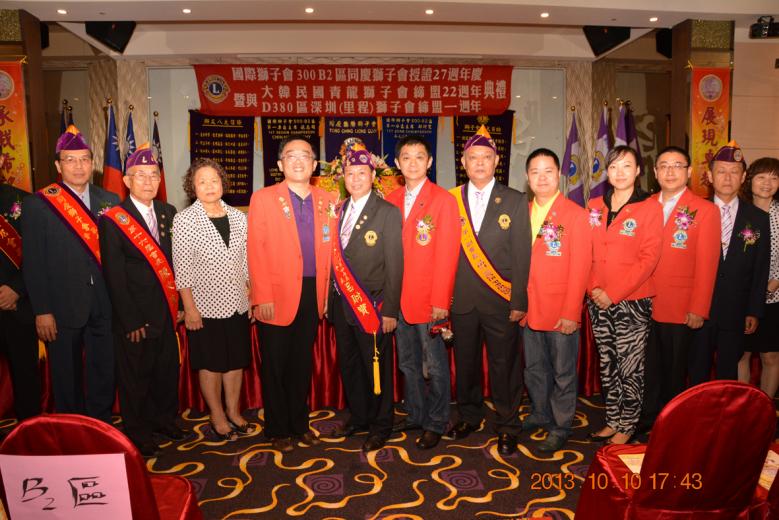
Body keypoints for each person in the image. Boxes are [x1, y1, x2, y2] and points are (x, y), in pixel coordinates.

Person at [444, 125, 531, 456]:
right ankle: (469, 416)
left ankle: (508, 425)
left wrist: (518, 299)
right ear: (463, 163)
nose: (479, 163)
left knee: (504, 366)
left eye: (486, 157)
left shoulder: (515, 200)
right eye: (473, 158)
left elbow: (522, 255)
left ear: (496, 161)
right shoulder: (450, 200)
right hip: (462, 300)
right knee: (465, 364)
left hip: (500, 299)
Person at [22, 125, 118, 422]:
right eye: (70, 160)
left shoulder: (110, 200)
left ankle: (100, 426)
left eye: (84, 159)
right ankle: (73, 430)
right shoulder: (39, 203)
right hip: (61, 306)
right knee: (67, 375)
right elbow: (33, 262)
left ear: (93, 163)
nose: (78, 166)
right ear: (57, 165)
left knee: (104, 369)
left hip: (104, 302)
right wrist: (42, 310)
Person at [247, 135, 337, 453]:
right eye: (291, 155)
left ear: (314, 165)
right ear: (280, 164)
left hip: (313, 292)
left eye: (305, 155)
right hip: (275, 293)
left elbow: (331, 253)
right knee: (275, 365)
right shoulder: (263, 198)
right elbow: (255, 251)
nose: (298, 161)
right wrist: (262, 296)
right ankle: (277, 428)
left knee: (301, 364)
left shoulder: (328, 199)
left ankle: (300, 424)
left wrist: (326, 296)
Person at [98, 144, 187, 457]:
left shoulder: (167, 212)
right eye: (141, 176)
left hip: (166, 308)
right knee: (136, 376)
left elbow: (176, 263)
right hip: (135, 314)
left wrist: (179, 305)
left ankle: (165, 420)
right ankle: (138, 431)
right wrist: (130, 319)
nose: (149, 181)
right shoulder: (113, 220)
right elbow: (114, 275)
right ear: (127, 181)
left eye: (154, 175)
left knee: (166, 370)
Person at [637, 146, 720, 433]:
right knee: (647, 366)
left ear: (689, 171)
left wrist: (699, 307)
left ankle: (670, 424)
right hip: (642, 302)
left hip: (679, 305)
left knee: (674, 370)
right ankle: (647, 418)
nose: (670, 171)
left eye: (677, 165)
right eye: (663, 165)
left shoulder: (705, 210)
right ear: (655, 172)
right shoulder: (644, 205)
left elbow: (708, 264)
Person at [385, 136, 460, 450]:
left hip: (429, 299)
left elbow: (448, 254)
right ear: (397, 163)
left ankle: (437, 421)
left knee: (436, 365)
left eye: (419, 156)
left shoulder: (443, 200)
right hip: (397, 299)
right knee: (407, 363)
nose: (412, 162)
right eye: (406, 157)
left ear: (429, 162)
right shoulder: (390, 199)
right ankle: (416, 413)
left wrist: (441, 300)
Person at [328, 142, 403, 452]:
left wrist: (391, 310)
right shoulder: (337, 210)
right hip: (340, 304)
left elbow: (396, 265)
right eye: (350, 173)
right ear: (343, 177)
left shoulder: (387, 212)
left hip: (372, 305)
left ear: (373, 176)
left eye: (362, 173)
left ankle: (381, 424)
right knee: (350, 365)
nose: (356, 179)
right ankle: (359, 417)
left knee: (377, 368)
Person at [586, 146, 662, 445]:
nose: (620, 172)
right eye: (614, 166)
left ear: (638, 171)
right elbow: (586, 251)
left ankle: (628, 424)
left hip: (632, 300)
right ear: (607, 171)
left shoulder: (649, 207)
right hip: (597, 298)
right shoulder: (594, 205)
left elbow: (648, 259)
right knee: (608, 362)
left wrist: (613, 293)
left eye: (627, 166)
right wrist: (594, 288)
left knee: (630, 365)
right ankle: (612, 419)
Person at [173, 158, 253, 441]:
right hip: (204, 306)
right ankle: (217, 415)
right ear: (192, 187)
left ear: (223, 183)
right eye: (202, 181)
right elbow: (182, 269)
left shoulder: (238, 217)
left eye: (214, 180)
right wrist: (189, 308)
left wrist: (250, 294)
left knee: (235, 361)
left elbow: (246, 261)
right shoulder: (184, 220)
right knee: (211, 363)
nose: (209, 186)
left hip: (237, 302)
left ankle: (233, 411)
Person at [522, 148, 592, 452]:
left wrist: (571, 312)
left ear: (559, 175)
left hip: (560, 309)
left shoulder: (575, 214)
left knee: (563, 372)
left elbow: (581, 268)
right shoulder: (521, 212)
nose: (542, 178)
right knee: (534, 369)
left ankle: (561, 425)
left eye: (548, 171)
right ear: (527, 177)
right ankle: (540, 412)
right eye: (535, 172)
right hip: (529, 307)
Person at [689, 142, 770, 383]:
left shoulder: (758, 218)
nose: (727, 177)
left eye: (734, 172)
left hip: (736, 309)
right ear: (709, 176)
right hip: (699, 308)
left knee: (728, 371)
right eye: (721, 171)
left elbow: (760, 267)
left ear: (743, 177)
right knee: (696, 367)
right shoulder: (693, 212)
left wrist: (754, 310)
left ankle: (725, 409)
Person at [0, 182, 41, 421]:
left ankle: (29, 433)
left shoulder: (25, 201)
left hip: (18, 306)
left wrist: (17, 289)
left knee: (26, 379)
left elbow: (38, 254)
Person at [738, 157, 779, 396]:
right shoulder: (739, 211)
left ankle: (765, 407)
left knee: (770, 355)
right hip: (741, 295)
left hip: (774, 295)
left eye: (774, 178)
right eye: (761, 177)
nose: (767, 183)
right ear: (749, 179)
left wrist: (775, 282)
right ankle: (743, 407)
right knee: (741, 353)